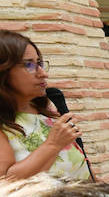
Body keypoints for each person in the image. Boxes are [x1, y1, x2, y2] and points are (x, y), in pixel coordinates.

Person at [0, 30, 89, 181]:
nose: (43, 73)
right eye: (29, 65)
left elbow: (80, 164)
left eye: (39, 63)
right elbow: (5, 182)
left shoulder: (47, 107)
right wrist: (53, 144)